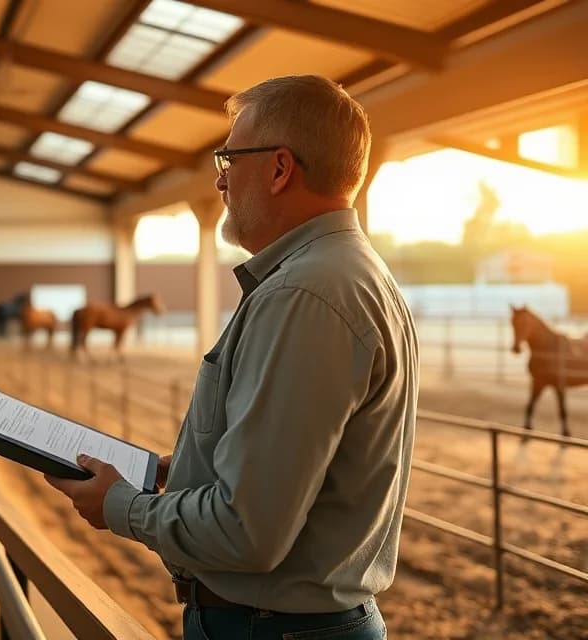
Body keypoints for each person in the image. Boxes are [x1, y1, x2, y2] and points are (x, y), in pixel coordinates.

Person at [45, 75, 418, 640]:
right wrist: (185, 469)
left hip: (270, 629)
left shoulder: (304, 295)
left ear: (278, 169)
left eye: (229, 157)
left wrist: (121, 505)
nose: (219, 179)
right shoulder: (342, 272)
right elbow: (288, 469)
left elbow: (248, 530)